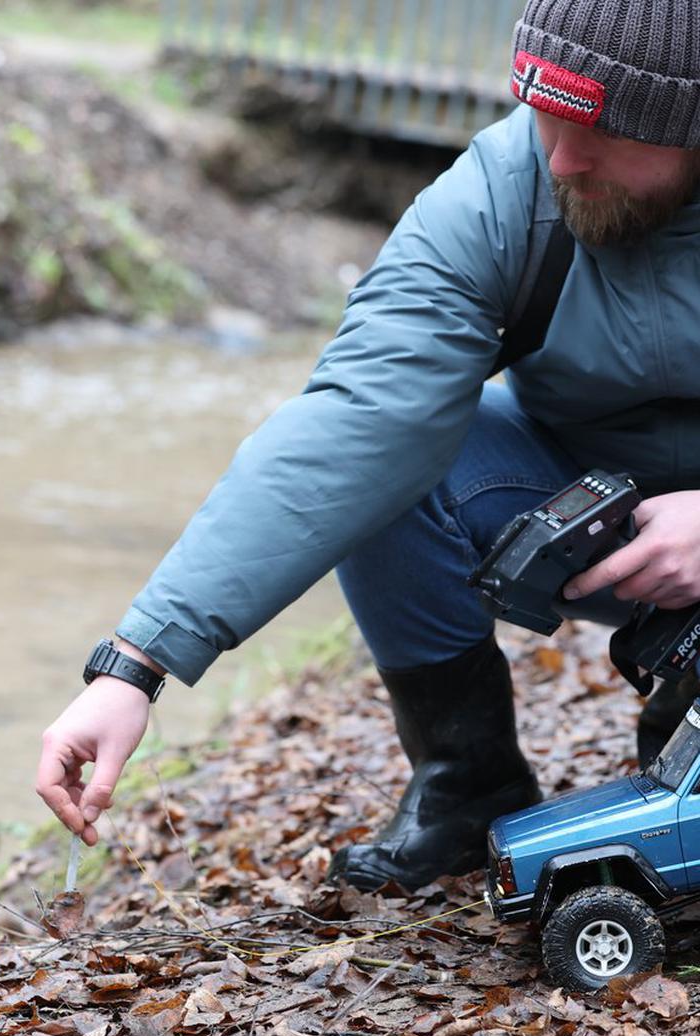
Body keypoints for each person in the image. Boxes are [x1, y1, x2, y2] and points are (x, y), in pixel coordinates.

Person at [37, 0, 700, 893]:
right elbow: (355, 420)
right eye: (548, 113)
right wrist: (138, 662)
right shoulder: (509, 188)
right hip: (598, 519)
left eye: (604, 131)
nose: (561, 157)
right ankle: (464, 783)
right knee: (398, 457)